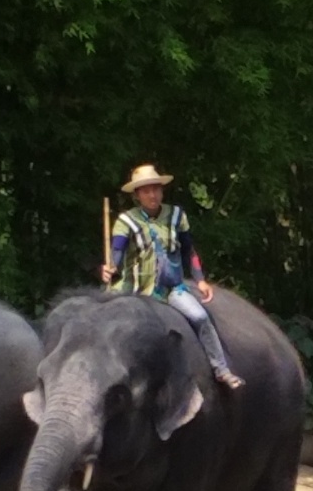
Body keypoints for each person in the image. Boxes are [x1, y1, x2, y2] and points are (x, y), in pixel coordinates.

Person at [103, 164, 244, 389]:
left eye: (156, 189)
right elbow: (117, 252)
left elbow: (188, 249)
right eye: (146, 190)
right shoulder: (126, 221)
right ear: (137, 195)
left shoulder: (176, 216)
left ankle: (221, 369)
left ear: (162, 190)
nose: (152, 195)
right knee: (104, 320)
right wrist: (110, 268)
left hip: (170, 289)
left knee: (200, 317)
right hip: (135, 289)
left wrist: (200, 280)